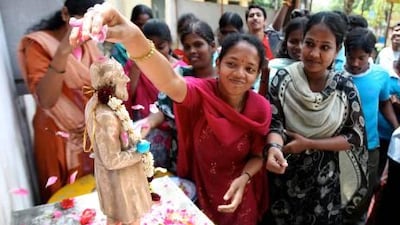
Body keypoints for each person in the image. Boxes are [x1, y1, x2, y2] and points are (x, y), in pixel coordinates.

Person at [70, 4, 272, 224]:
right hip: (203, 190)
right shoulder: (201, 93)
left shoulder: (260, 107)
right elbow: (170, 80)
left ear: (257, 73)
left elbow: (257, 155)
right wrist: (133, 37)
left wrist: (245, 178)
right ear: (219, 61)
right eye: (232, 64)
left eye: (249, 69)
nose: (239, 74)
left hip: (243, 192)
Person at [264, 11, 368, 225]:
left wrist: (309, 143)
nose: (314, 53)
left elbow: (354, 137)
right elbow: (274, 123)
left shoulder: (344, 88)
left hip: (324, 184)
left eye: (325, 47)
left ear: (337, 50)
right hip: (284, 176)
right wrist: (274, 147)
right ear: (301, 43)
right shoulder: (283, 80)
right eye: (309, 43)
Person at [17, 0, 104, 203]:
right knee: (61, 203)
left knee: (91, 198)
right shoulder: (38, 45)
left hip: (87, 135)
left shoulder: (90, 44)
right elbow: (46, 100)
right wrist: (63, 51)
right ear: (66, 14)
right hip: (55, 136)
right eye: (83, 25)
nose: (87, 34)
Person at [138, 19, 217, 173]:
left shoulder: (223, 79)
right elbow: (162, 108)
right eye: (187, 47)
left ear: (212, 46)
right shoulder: (179, 75)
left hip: (215, 153)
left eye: (198, 44)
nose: (192, 50)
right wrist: (146, 124)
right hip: (183, 149)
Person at [84, 58, 152, 225]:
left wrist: (134, 136)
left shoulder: (105, 107)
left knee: (115, 220)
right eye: (122, 75)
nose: (127, 79)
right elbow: (112, 160)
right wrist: (139, 152)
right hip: (120, 187)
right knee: (129, 220)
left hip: (118, 184)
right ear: (110, 81)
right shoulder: (105, 116)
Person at [343, 27, 399, 224]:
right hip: (338, 144)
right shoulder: (335, 73)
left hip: (370, 145)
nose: (356, 63)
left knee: (366, 188)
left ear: (371, 54)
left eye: (362, 57)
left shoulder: (381, 76)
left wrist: (396, 127)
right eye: (351, 57)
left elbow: (384, 103)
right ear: (345, 52)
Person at [125, 19, 186, 168]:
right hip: (143, 130)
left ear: (170, 44)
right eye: (150, 47)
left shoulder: (180, 70)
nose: (156, 53)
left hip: (172, 134)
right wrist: (136, 69)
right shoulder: (135, 66)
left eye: (161, 47)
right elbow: (126, 97)